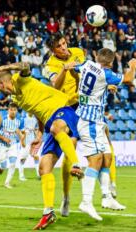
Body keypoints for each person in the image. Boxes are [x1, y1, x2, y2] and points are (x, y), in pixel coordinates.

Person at [0, 62, 83, 230]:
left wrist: (2, 68)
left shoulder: (20, 79)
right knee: (44, 168)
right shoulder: (15, 99)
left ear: (1, 83)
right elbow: (38, 111)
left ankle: (76, 163)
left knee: (56, 128)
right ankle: (48, 213)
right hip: (49, 123)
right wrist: (39, 135)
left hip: (64, 109)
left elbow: (25, 65)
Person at [71, 48, 136, 220]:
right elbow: (129, 79)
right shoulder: (106, 73)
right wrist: (132, 66)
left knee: (107, 157)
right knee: (96, 160)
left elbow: (75, 68)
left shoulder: (87, 64)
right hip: (89, 122)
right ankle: (86, 202)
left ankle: (106, 197)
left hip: (97, 121)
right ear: (110, 63)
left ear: (96, 56)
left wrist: (103, 87)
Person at [42, 32, 85, 218]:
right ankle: (64, 196)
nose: (64, 48)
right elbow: (55, 87)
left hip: (81, 104)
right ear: (53, 50)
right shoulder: (50, 65)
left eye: (64, 43)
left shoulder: (78, 52)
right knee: (69, 146)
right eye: (59, 46)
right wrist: (65, 69)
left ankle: (66, 196)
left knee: (72, 147)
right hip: (64, 106)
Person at [0, 103, 25, 188]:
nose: (13, 112)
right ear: (8, 110)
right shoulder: (2, 119)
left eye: (15, 110)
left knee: (13, 163)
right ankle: (1, 167)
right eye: (11, 110)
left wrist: (22, 140)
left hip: (13, 144)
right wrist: (4, 138)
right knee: (4, 165)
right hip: (2, 144)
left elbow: (22, 132)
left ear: (17, 111)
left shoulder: (19, 120)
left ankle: (7, 183)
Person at [20, 112, 40, 179]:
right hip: (26, 141)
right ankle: (21, 176)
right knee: (23, 159)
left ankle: (38, 174)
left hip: (33, 141)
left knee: (36, 156)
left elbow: (36, 129)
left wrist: (37, 138)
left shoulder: (35, 119)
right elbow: (21, 131)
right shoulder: (23, 119)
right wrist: (22, 141)